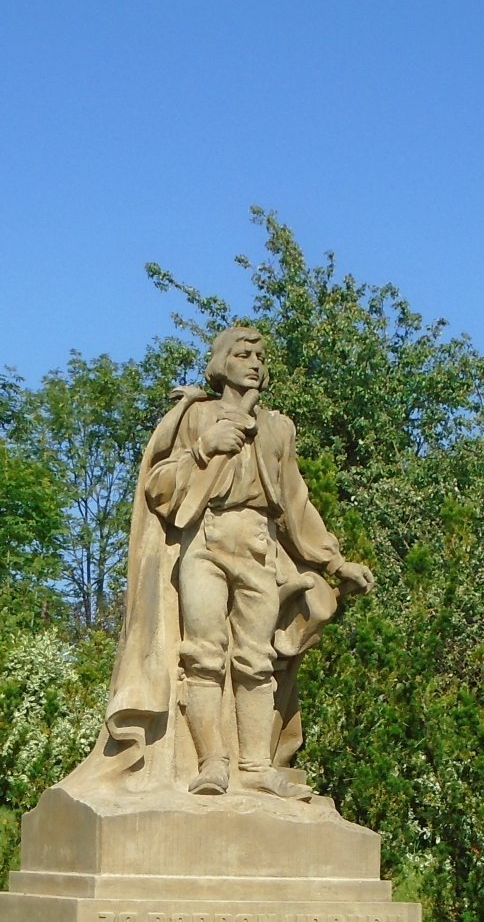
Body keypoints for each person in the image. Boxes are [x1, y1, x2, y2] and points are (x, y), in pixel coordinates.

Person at [67, 324, 372, 799]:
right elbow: (159, 485)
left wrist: (334, 562)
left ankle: (254, 768)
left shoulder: (277, 427)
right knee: (203, 655)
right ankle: (211, 764)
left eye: (260, 356)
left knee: (257, 660)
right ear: (222, 363)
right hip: (204, 539)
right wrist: (206, 447)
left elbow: (296, 503)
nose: (254, 363)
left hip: (258, 545)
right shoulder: (196, 416)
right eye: (243, 354)